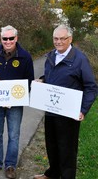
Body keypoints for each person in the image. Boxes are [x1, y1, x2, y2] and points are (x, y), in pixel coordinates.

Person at [33, 25, 97, 179]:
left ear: (70, 39)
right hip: (51, 110)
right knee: (52, 145)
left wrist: (83, 110)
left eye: (62, 38)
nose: (59, 42)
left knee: (67, 150)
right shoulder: (50, 56)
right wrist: (42, 80)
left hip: (69, 114)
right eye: (56, 38)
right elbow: (51, 76)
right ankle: (53, 174)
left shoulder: (79, 59)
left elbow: (91, 87)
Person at [0, 25, 34, 179]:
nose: (8, 41)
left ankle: (10, 165)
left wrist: (16, 98)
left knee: (13, 135)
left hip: (15, 104)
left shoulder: (25, 56)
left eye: (11, 38)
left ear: (16, 38)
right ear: (1, 39)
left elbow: (29, 81)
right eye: (5, 38)